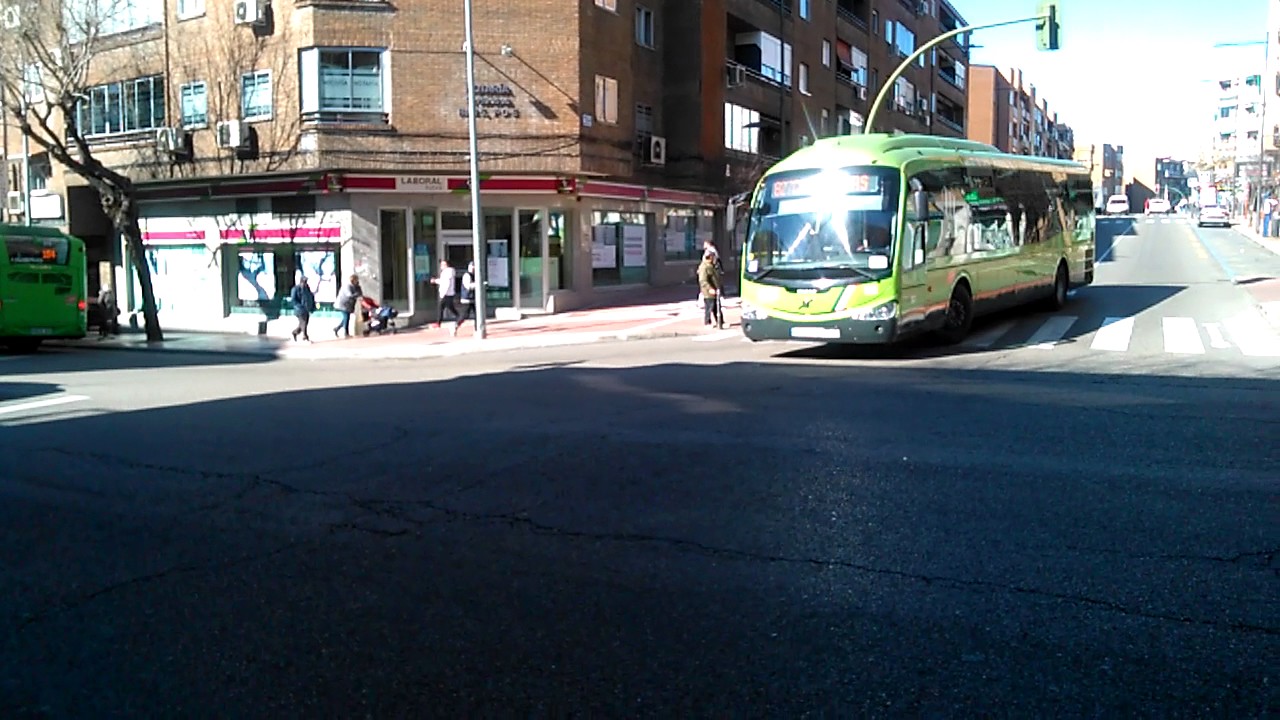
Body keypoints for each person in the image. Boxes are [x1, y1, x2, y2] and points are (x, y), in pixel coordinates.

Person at [430, 259, 459, 331]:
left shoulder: (447, 272)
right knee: (449, 307)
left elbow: (446, 283)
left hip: (446, 294)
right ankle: (459, 316)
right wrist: (436, 281)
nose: (441, 266)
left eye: (443, 264)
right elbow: (443, 281)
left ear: (446, 265)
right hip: (448, 293)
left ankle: (438, 323)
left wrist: (444, 293)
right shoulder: (446, 272)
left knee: (442, 307)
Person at [698, 250, 724, 329]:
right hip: (708, 291)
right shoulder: (704, 267)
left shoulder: (712, 265)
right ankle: (707, 322)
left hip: (715, 289)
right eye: (713, 256)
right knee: (709, 306)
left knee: (717, 306)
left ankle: (720, 321)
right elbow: (703, 280)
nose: (714, 258)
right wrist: (709, 288)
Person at [454, 261, 479, 336]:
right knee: (465, 315)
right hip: (467, 298)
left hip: (473, 298)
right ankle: (455, 325)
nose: (474, 268)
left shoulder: (475, 275)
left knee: (477, 315)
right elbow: (468, 286)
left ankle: (477, 329)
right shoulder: (467, 275)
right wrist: (477, 284)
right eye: (472, 267)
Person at [289, 275, 316, 342]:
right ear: (301, 281)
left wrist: (312, 307)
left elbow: (310, 297)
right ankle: (305, 337)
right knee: (303, 322)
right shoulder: (295, 289)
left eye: (306, 281)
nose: (305, 283)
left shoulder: (307, 288)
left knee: (304, 323)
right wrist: (300, 307)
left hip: (306, 309)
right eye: (304, 281)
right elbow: (294, 300)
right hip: (299, 310)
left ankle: (295, 332)